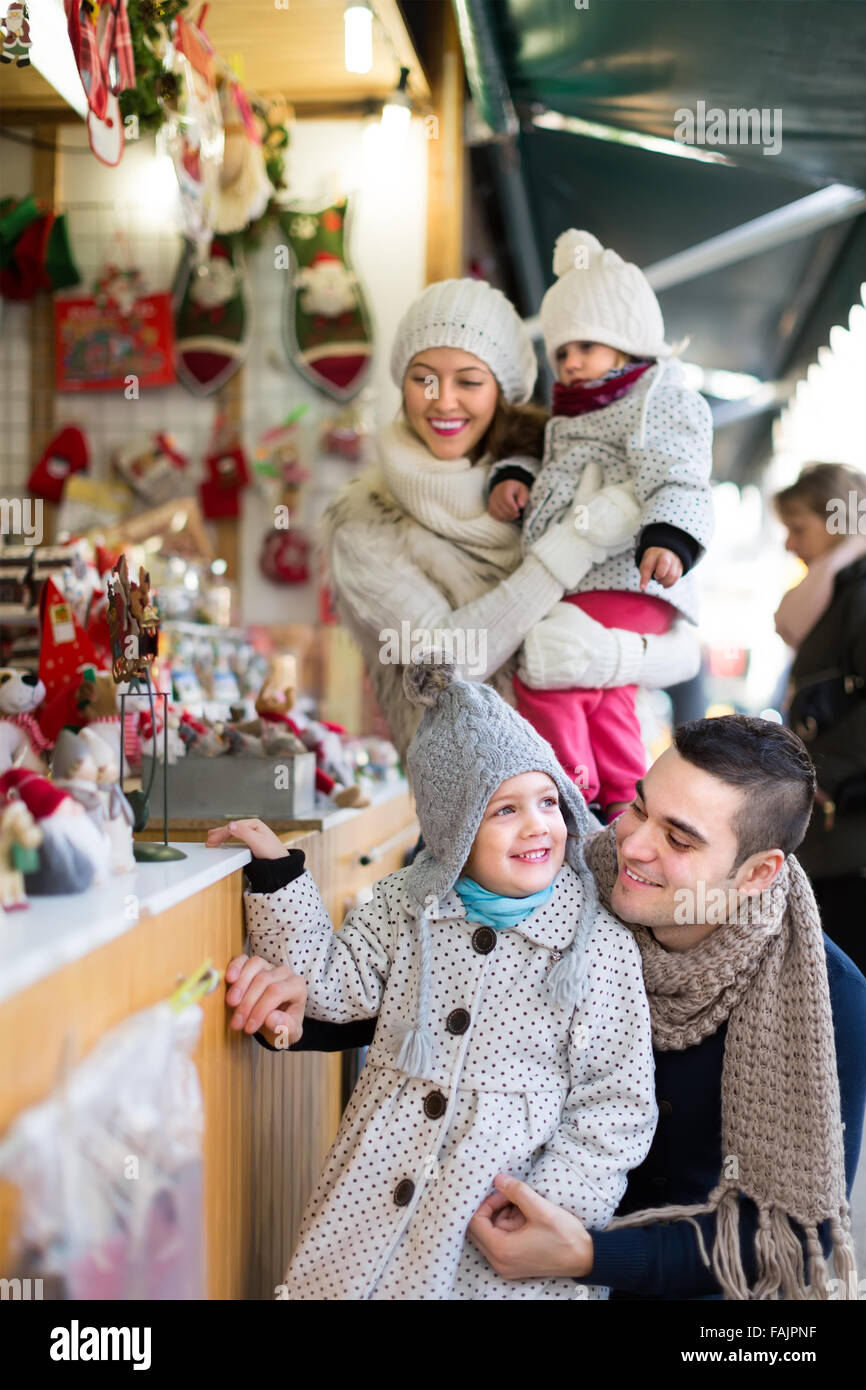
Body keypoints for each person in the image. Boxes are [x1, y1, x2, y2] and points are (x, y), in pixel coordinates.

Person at [210, 659, 656, 1300]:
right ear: (455, 830)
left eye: (548, 801)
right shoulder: (406, 903)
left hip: (496, 1215)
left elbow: (615, 1102)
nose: (538, 826)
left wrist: (547, 1209)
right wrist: (279, 878)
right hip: (375, 1184)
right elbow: (332, 986)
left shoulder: (598, 944)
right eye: (504, 810)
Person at [465, 716, 866, 1301]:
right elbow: (414, 986)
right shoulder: (554, 884)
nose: (631, 844)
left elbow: (793, 1231)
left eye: (678, 839)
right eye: (637, 806)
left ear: (757, 873)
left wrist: (591, 1256)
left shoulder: (829, 997)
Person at [319, 276, 701, 763]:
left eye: (470, 381)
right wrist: (574, 544)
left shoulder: (560, 474)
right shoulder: (367, 522)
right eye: (423, 378)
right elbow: (438, 669)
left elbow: (682, 648)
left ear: (502, 390)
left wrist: (609, 656)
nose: (443, 401)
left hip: (604, 795)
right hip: (478, 809)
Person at [496, 230, 714, 820]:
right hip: (599, 580)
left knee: (548, 664)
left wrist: (670, 536)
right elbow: (556, 470)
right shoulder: (579, 410)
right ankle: (622, 798)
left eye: (586, 346)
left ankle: (569, 788)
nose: (568, 362)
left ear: (628, 345)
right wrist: (515, 474)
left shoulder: (657, 400)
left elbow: (680, 472)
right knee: (601, 690)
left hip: (634, 571)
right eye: (561, 351)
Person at [773, 463, 866, 974]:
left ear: (837, 520)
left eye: (799, 527)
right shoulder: (839, 594)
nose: (790, 544)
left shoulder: (858, 594)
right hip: (837, 837)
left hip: (850, 840)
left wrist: (819, 776)